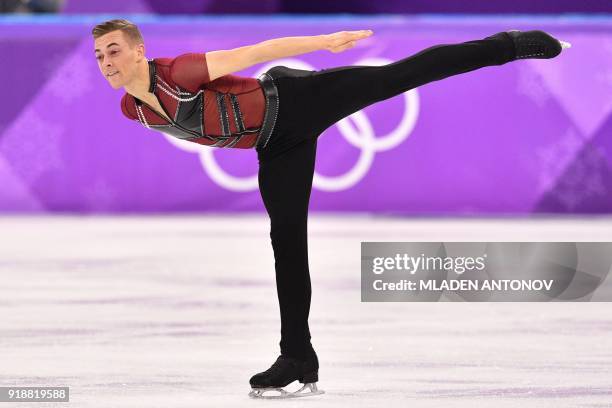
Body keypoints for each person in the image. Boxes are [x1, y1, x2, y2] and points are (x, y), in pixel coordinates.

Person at [92, 19, 570, 399]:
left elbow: (254, 54)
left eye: (114, 50)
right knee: (286, 246)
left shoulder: (179, 72)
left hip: (299, 100)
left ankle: (505, 45)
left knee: (398, 75)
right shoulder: (133, 110)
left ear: (138, 51)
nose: (106, 61)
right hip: (276, 146)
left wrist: (326, 41)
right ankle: (297, 356)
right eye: (99, 55)